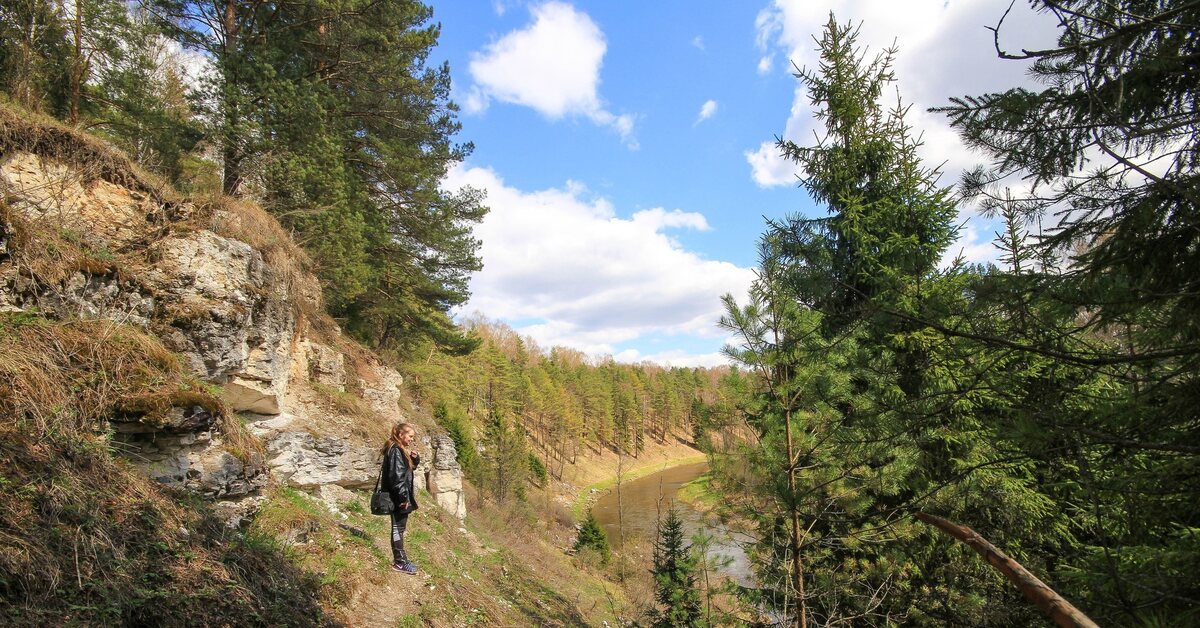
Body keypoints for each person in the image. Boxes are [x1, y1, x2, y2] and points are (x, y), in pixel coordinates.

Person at [381, 422, 420, 574]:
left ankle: (401, 559)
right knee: (398, 528)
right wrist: (404, 499)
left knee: (399, 528)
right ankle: (399, 562)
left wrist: (414, 460)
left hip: (399, 496)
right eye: (410, 436)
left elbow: (405, 471)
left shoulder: (398, 449)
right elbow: (397, 478)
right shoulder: (396, 450)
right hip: (399, 498)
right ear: (401, 434)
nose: (411, 439)